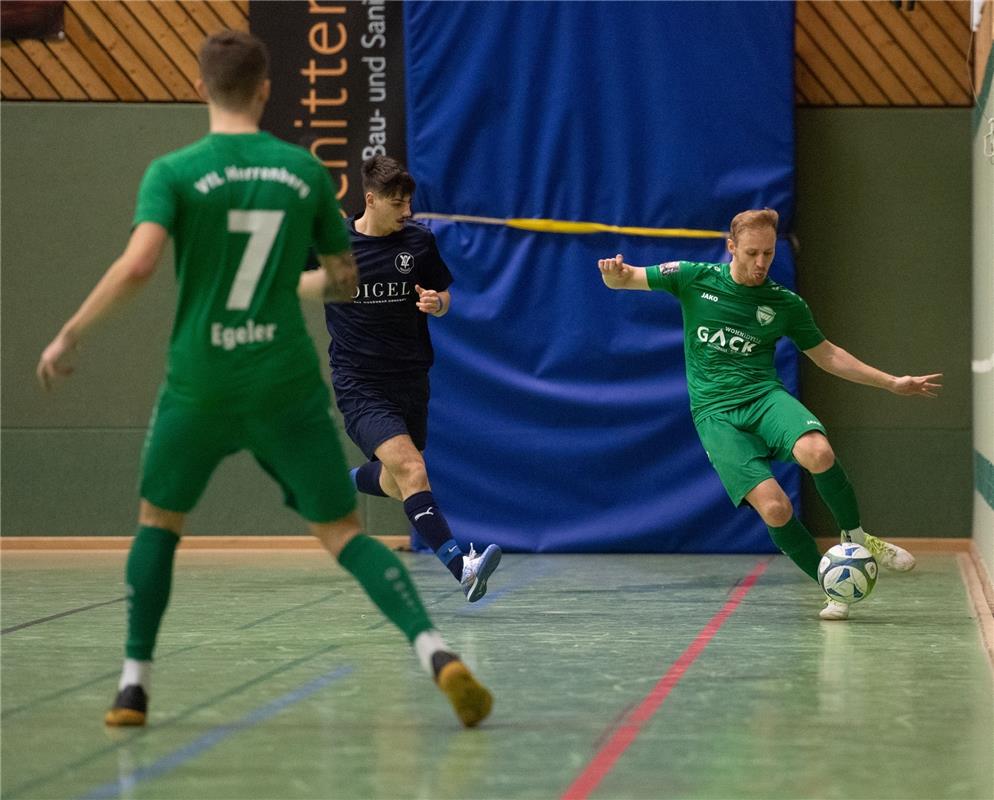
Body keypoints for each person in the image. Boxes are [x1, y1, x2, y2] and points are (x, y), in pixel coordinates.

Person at [36, 30, 491, 728]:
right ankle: (437, 653)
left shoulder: (174, 171)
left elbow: (136, 267)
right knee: (344, 534)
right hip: (284, 382)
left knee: (158, 526)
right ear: (265, 91)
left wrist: (70, 333)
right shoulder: (304, 175)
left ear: (198, 88)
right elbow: (343, 282)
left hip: (201, 380)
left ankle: (133, 686)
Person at [597, 208, 942, 620]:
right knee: (776, 509)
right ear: (731, 248)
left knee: (819, 452)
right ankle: (834, 586)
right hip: (715, 413)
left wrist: (890, 382)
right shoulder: (693, 276)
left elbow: (828, 355)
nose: (761, 263)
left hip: (764, 397)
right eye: (752, 253)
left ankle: (857, 536)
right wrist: (612, 272)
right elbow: (625, 278)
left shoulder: (784, 303)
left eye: (768, 254)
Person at [299, 156, 501, 603]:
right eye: (396, 205)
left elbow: (445, 294)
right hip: (359, 383)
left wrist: (438, 304)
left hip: (410, 379)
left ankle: (336, 478)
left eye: (408, 204)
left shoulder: (419, 242)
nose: (406, 212)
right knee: (412, 468)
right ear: (370, 200)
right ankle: (462, 566)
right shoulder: (333, 245)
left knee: (397, 481)